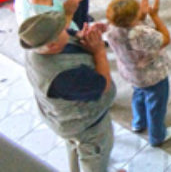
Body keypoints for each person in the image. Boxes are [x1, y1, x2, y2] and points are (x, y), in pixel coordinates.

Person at [20, 12, 116, 172]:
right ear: (52, 45)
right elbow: (102, 85)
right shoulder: (62, 76)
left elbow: (70, 35)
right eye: (62, 30)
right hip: (86, 126)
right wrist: (99, 51)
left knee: (73, 145)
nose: (67, 27)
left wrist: (86, 34)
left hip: (62, 120)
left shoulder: (36, 45)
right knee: (94, 157)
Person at [105, 0, 171, 146]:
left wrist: (141, 17)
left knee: (138, 95)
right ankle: (157, 136)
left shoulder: (112, 30)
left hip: (131, 73)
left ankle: (138, 122)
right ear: (132, 19)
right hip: (153, 76)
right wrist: (154, 16)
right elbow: (165, 39)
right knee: (156, 104)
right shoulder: (141, 34)